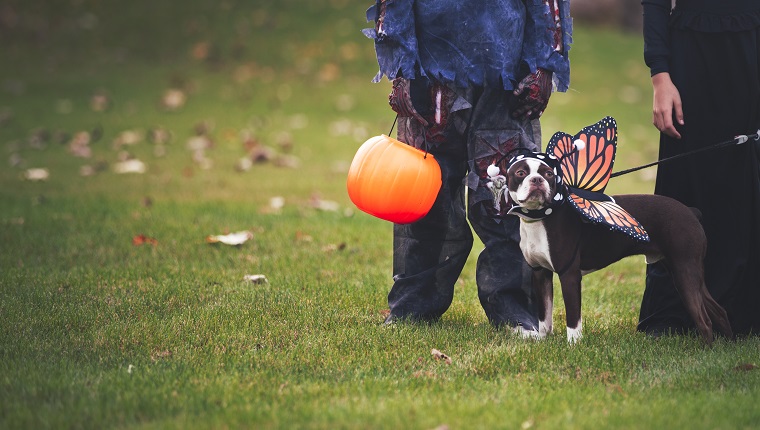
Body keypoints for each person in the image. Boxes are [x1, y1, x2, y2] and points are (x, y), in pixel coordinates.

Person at [363, 0, 572, 336]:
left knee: (505, 197)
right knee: (426, 194)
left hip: (507, 71)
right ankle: (413, 305)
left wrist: (545, 63)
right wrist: (402, 64)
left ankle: (513, 308)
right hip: (430, 71)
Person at [638, 0, 760, 337]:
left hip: (751, 52)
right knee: (686, 183)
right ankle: (677, 310)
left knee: (744, 178)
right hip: (690, 55)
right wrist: (660, 78)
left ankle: (742, 308)